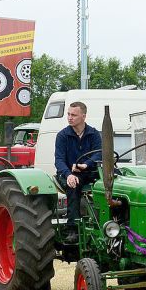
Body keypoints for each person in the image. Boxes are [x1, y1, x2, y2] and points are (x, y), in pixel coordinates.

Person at [54, 101, 102, 243]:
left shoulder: (93, 134)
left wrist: (86, 165)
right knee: (73, 185)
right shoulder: (62, 136)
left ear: (83, 116)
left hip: (89, 171)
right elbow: (59, 160)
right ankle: (72, 229)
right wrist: (69, 174)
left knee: (111, 180)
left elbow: (99, 154)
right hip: (68, 173)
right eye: (68, 114)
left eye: (73, 115)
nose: (69, 117)